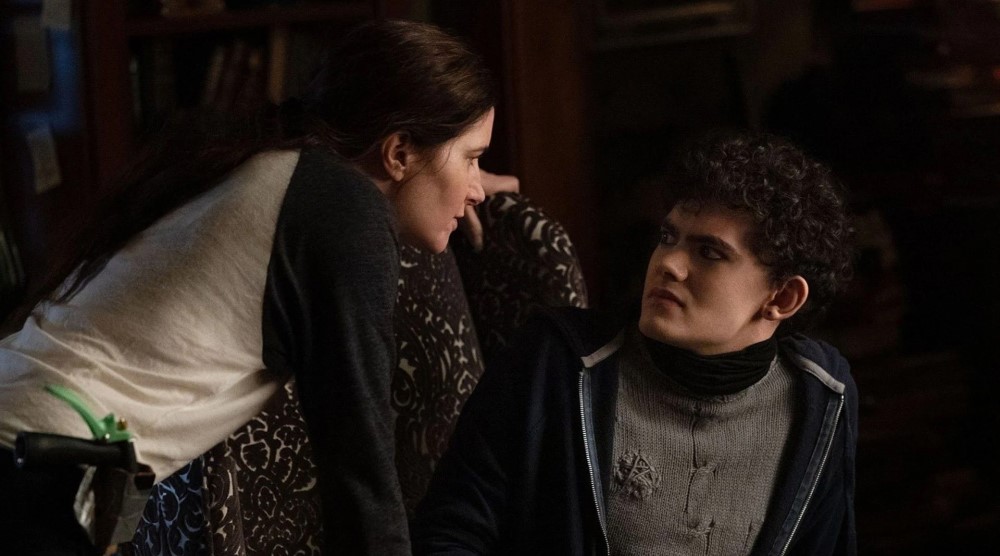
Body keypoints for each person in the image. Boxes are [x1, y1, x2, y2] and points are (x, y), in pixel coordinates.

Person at [0, 19, 509, 556]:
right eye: (472, 158)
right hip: (39, 468)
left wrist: (451, 176)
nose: (477, 188)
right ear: (400, 152)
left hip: (27, 436)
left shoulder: (279, 168)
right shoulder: (342, 212)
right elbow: (361, 477)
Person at [412, 131, 857, 555]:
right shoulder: (556, 362)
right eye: (668, 237)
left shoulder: (821, 397)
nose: (669, 264)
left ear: (782, 298)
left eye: (709, 252)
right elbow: (448, 535)